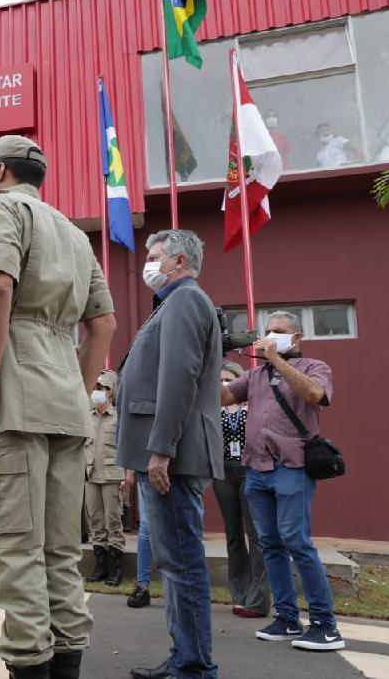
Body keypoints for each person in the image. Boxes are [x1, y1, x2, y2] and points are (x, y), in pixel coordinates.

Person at [0, 134, 115, 679]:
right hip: (65, 402)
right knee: (60, 554)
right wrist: (78, 388)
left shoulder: (0, 208)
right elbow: (102, 325)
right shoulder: (76, 235)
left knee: (14, 549)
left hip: (16, 399)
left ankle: (29, 665)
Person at [116, 229, 223, 679]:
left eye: (155, 256)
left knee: (182, 565)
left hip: (170, 459)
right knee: (176, 564)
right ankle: (185, 658)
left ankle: (194, 667)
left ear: (178, 261)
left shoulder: (184, 301)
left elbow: (179, 378)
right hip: (160, 456)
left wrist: (160, 449)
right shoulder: (174, 303)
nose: (149, 264)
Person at [222, 311, 345, 651]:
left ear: (296, 339)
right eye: (268, 331)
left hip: (291, 467)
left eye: (279, 331)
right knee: (271, 544)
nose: (271, 335)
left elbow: (313, 395)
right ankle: (287, 618)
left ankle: (325, 625)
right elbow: (222, 398)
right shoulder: (256, 375)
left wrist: (277, 358)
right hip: (256, 470)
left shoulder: (314, 367)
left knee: (297, 542)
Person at [214, 361, 270, 619]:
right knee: (233, 535)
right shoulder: (216, 408)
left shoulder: (254, 406)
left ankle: (258, 597)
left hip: (250, 470)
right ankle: (239, 593)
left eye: (229, 379)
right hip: (223, 472)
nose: (225, 384)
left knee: (255, 534)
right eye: (221, 379)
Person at [84, 370, 125, 587]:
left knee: (113, 521)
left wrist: (128, 476)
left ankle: (115, 567)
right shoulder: (87, 417)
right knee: (96, 522)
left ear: (110, 392)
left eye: (101, 388)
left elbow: (126, 448)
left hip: (112, 476)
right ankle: (100, 565)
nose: (96, 392)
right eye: (95, 388)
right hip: (90, 475)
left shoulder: (118, 417)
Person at [122, 469, 153, 609]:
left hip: (176, 469)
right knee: (146, 525)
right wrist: (130, 470)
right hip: (145, 469)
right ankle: (143, 587)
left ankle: (177, 589)